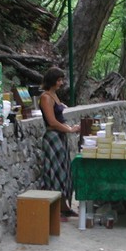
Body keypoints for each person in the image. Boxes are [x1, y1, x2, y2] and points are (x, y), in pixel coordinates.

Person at [39, 67, 81, 220]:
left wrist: (69, 128)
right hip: (53, 138)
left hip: (60, 137)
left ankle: (64, 206)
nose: (61, 83)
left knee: (64, 172)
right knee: (55, 172)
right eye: (59, 80)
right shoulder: (46, 97)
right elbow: (52, 121)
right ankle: (55, 209)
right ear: (52, 80)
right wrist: (69, 129)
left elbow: (59, 118)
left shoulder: (54, 95)